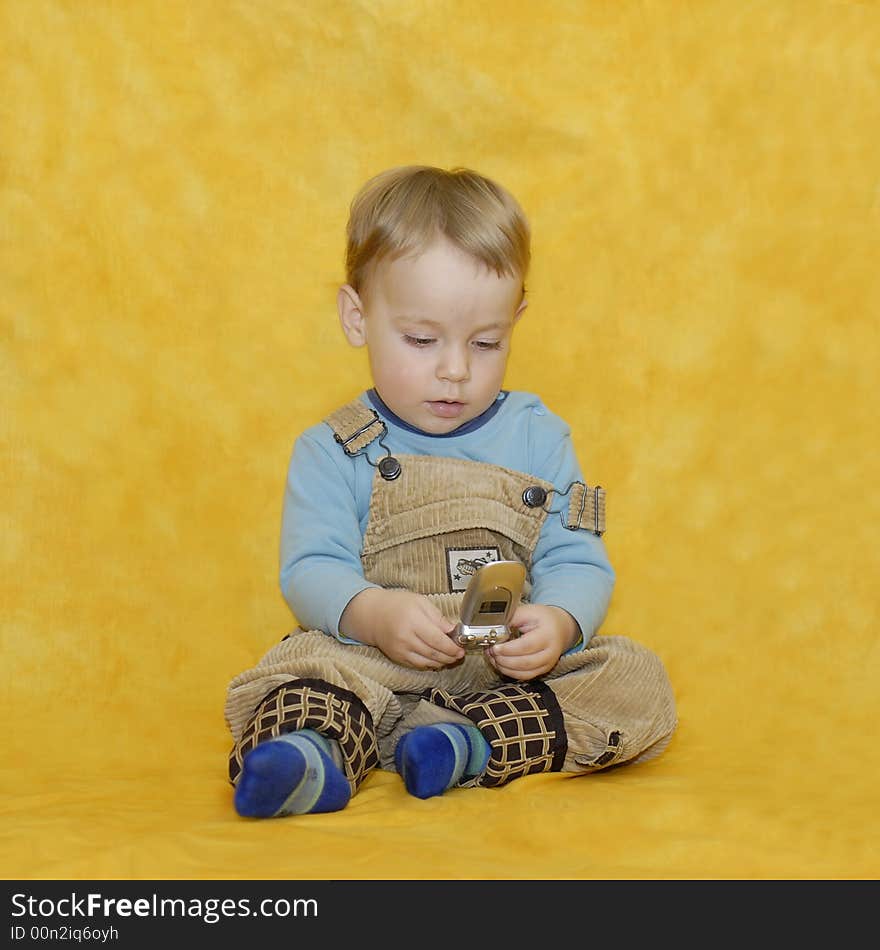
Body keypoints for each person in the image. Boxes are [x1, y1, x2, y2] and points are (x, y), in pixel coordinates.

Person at [224, 164, 677, 818]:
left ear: (516, 318)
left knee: (636, 680)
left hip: (503, 675)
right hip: (374, 663)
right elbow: (309, 568)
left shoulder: (539, 436)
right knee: (295, 676)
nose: (456, 370)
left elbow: (577, 560)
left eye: (487, 342)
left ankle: (467, 746)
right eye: (421, 339)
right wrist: (373, 613)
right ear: (358, 317)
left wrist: (558, 622)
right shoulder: (333, 447)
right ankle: (312, 756)